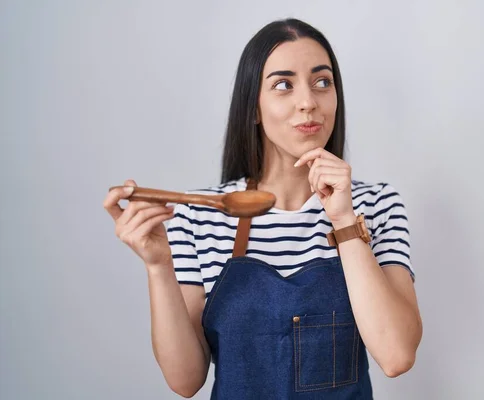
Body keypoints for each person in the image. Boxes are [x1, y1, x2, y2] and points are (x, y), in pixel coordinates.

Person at [103, 18, 422, 399]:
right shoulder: (198, 216)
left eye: (323, 82)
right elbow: (185, 381)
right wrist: (158, 267)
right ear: (253, 108)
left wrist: (343, 220)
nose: (309, 101)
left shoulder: (375, 204)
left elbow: (396, 355)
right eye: (283, 85)